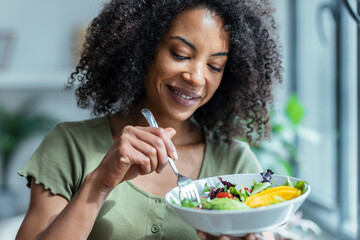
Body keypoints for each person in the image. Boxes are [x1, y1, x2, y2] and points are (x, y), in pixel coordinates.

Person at [16, 0, 282, 239]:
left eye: (215, 66)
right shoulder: (70, 146)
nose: (197, 77)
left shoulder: (235, 162)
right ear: (142, 49)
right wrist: (99, 184)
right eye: (180, 54)